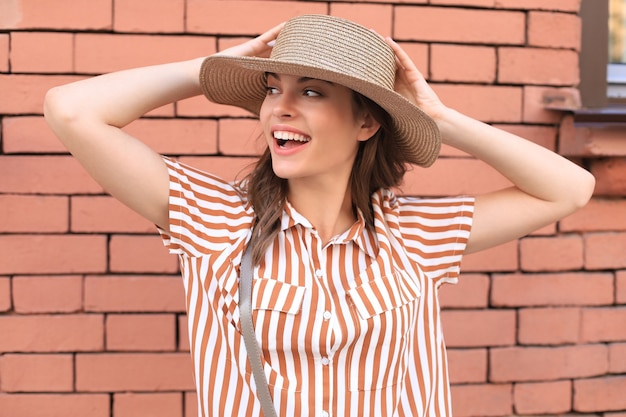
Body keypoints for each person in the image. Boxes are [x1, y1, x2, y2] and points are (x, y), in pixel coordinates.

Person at [43, 14, 594, 417]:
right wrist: (214, 67)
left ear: (366, 123)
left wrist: (437, 118)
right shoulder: (215, 221)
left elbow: (569, 189)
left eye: (311, 91)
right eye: (272, 88)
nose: (280, 106)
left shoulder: (411, 235)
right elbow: (72, 110)